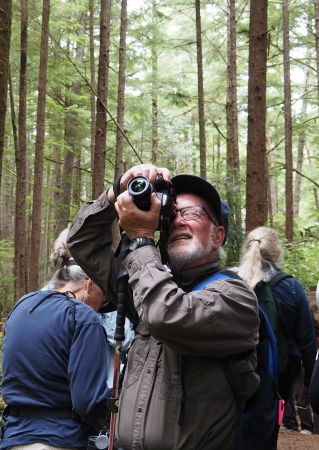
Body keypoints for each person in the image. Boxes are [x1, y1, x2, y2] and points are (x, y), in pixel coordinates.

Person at [67, 164, 260, 449]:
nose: (178, 221)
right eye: (171, 214)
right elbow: (81, 242)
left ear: (218, 236)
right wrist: (117, 190)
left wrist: (142, 240)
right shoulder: (146, 284)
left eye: (192, 213)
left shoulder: (235, 297)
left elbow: (166, 315)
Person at [0, 247, 111, 450]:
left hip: (13, 437)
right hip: (61, 439)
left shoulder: (22, 305)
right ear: (89, 284)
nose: (99, 307)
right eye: (101, 298)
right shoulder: (84, 318)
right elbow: (88, 401)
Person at [238, 227, 318, 444]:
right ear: (277, 253)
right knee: (269, 428)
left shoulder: (231, 282)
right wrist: (309, 383)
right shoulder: (292, 288)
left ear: (246, 250)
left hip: (235, 374)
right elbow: (308, 342)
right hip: (278, 377)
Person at [44, 228, 134, 389]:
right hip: (96, 391)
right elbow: (124, 339)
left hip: (54, 392)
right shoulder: (102, 289)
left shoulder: (44, 294)